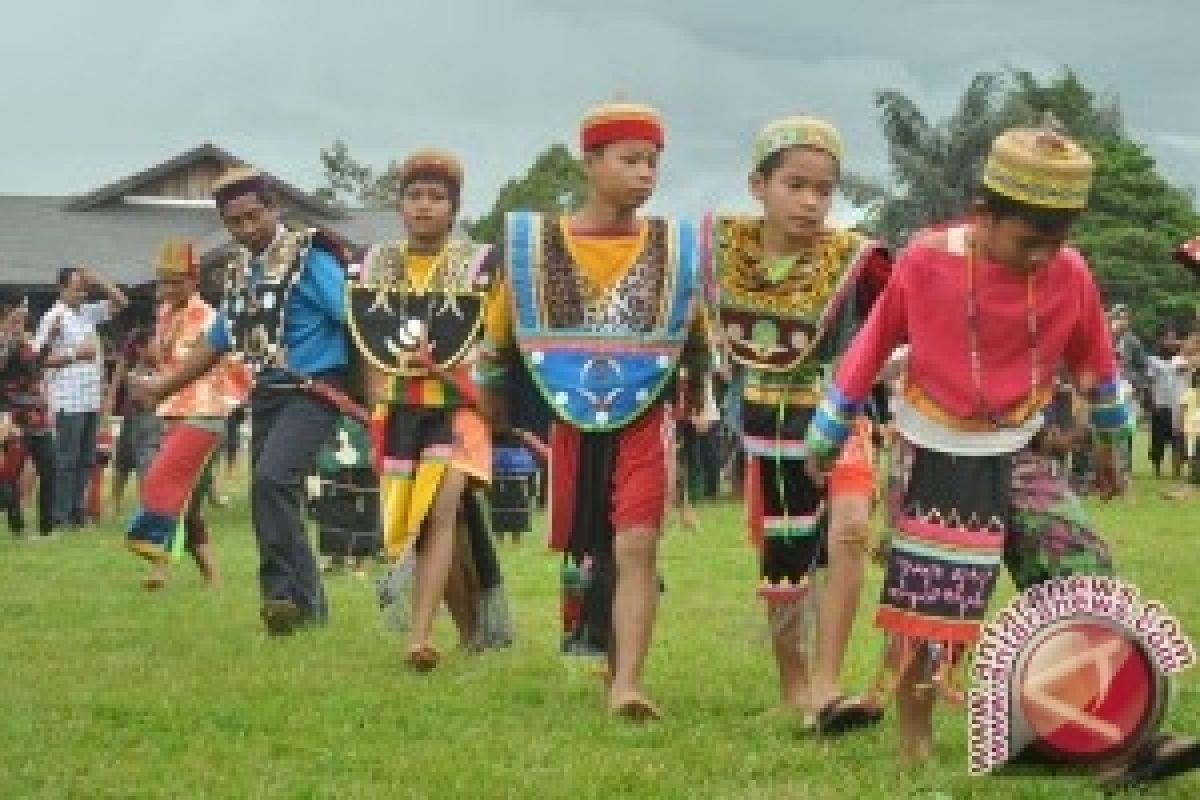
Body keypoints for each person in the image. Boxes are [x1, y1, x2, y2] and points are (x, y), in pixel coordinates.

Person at [804, 124, 1128, 764]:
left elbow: (1098, 365)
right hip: (931, 448)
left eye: (1057, 241)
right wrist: (828, 432)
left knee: (1079, 566)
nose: (1043, 256)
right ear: (983, 215)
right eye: (1028, 241)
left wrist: (1111, 452)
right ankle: (914, 742)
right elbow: (871, 345)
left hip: (1019, 446)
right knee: (934, 598)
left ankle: (1060, 724)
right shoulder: (926, 260)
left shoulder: (1071, 273)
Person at [476, 101, 710, 720]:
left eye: (653, 163)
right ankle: (609, 656)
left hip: (647, 415)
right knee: (596, 548)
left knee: (636, 543)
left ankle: (627, 683)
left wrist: (697, 381)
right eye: (631, 160)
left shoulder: (675, 249)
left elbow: (700, 340)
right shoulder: (535, 248)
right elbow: (497, 340)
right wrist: (492, 407)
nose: (645, 174)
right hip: (568, 416)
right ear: (590, 162)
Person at [707, 116, 891, 732]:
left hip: (838, 416)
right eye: (796, 185)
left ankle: (827, 683)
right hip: (764, 424)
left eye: (824, 189)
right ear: (758, 185)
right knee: (783, 552)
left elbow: (902, 322)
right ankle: (793, 685)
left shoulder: (858, 261)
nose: (812, 202)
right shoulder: (722, 251)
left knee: (850, 531)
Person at [132, 167, 352, 634]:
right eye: (236, 222)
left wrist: (377, 390)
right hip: (269, 393)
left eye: (255, 216)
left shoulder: (309, 258)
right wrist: (162, 388)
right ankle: (306, 609)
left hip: (315, 388)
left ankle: (280, 596)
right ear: (225, 224)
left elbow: (355, 316)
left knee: (272, 482)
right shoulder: (240, 273)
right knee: (270, 494)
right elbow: (217, 341)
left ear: (275, 210)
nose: (248, 228)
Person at [349, 149, 513, 668]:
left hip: (461, 410)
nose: (424, 206)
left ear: (454, 207)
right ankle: (471, 634)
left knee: (438, 513)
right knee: (442, 528)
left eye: (436, 197)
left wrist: (457, 378)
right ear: (399, 205)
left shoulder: (482, 268)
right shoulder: (373, 266)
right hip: (401, 411)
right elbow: (366, 341)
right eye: (415, 196)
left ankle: (418, 637)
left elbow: (496, 345)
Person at [126, 240, 250, 589]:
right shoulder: (165, 312)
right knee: (184, 498)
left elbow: (196, 367)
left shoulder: (207, 316)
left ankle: (159, 568)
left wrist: (156, 382)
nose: (166, 289)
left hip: (205, 410)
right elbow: (168, 362)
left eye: (175, 282)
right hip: (173, 410)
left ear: (194, 280)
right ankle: (212, 577)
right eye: (162, 282)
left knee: (166, 486)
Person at [31, 267, 128, 529]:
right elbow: (38, 360)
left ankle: (77, 514)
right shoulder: (53, 317)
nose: (82, 293)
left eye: (85, 289)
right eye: (77, 288)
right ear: (62, 289)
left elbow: (121, 302)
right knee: (66, 461)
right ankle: (60, 518)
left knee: (86, 459)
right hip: (67, 399)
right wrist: (75, 354)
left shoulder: (86, 313)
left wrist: (97, 278)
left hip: (90, 399)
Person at [0, 295, 56, 537]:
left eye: (23, 319)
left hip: (38, 415)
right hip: (16, 418)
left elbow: (36, 367)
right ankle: (18, 529)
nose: (20, 322)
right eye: (15, 318)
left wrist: (49, 341)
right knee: (12, 474)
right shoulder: (6, 345)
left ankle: (46, 528)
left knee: (50, 470)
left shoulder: (25, 345)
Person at [108, 327, 163, 514]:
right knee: (124, 459)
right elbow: (124, 380)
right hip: (134, 415)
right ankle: (115, 501)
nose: (158, 346)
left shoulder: (164, 361)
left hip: (154, 417)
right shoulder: (134, 364)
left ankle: (148, 505)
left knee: (148, 460)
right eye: (153, 344)